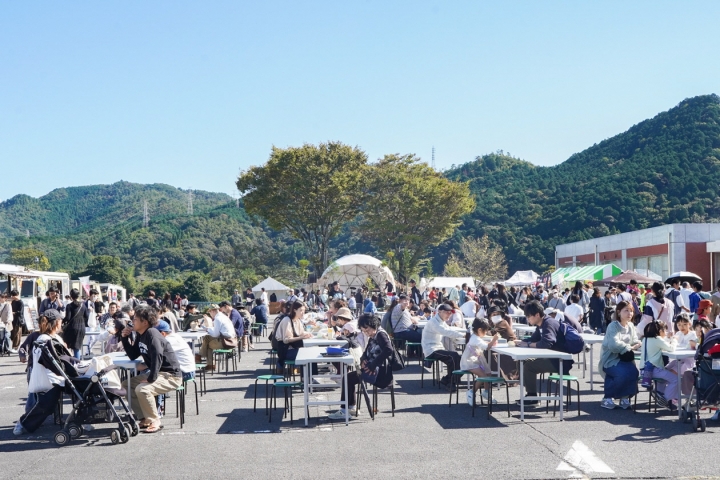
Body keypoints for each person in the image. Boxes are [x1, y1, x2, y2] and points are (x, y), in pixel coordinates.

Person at [120, 305, 182, 433]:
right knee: (126, 385)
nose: (132, 321)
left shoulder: (152, 333)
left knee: (142, 389)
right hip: (159, 373)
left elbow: (157, 355)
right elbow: (133, 355)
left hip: (171, 376)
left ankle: (155, 420)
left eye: (135, 319)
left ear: (145, 322)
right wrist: (124, 338)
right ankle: (144, 418)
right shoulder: (141, 334)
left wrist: (151, 378)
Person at [13, 310, 70, 435]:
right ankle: (24, 423)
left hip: (50, 375)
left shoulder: (52, 338)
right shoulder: (43, 338)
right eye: (60, 321)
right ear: (56, 323)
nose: (62, 323)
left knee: (45, 401)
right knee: (38, 401)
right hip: (46, 375)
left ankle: (58, 419)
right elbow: (52, 360)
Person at [328, 314, 394, 419]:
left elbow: (389, 349)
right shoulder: (374, 335)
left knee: (348, 378)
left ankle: (345, 410)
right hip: (373, 369)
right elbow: (366, 352)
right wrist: (363, 360)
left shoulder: (381, 334)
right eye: (364, 331)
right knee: (349, 378)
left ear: (373, 325)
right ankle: (351, 407)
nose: (367, 333)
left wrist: (372, 365)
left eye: (367, 330)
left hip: (380, 373)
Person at [515, 300, 575, 405]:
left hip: (560, 361)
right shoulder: (541, 324)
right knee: (522, 361)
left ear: (537, 315)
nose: (527, 319)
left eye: (529, 316)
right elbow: (533, 339)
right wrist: (521, 342)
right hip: (551, 358)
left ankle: (532, 398)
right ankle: (530, 393)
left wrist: (528, 344)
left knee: (529, 366)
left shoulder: (548, 323)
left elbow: (546, 343)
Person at [598, 301, 641, 410]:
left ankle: (624, 397)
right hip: (610, 359)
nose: (629, 313)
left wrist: (638, 343)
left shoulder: (631, 326)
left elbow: (635, 340)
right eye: (626, 310)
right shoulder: (613, 326)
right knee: (621, 373)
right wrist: (630, 347)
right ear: (618, 312)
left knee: (634, 372)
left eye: (631, 311)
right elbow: (613, 345)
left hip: (625, 359)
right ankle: (607, 397)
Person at [421, 303, 467, 388]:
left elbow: (449, 329)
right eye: (447, 312)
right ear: (439, 311)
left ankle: (448, 379)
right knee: (453, 356)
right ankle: (451, 382)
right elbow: (446, 331)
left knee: (461, 360)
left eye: (450, 313)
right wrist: (463, 335)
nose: (449, 315)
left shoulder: (441, 321)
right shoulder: (433, 322)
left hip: (438, 347)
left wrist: (461, 334)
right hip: (431, 349)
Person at [461, 318, 499, 405]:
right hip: (470, 362)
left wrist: (490, 342)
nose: (486, 333)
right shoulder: (475, 338)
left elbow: (483, 344)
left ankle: (486, 392)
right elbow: (487, 347)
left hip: (475, 360)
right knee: (483, 376)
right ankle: (471, 392)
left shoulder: (475, 337)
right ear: (479, 330)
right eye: (485, 331)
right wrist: (493, 340)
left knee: (487, 373)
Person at [641, 321, 678, 411]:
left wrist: (667, 338)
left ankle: (659, 393)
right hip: (654, 369)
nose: (666, 333)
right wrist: (674, 340)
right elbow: (671, 348)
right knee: (676, 380)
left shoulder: (645, 339)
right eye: (665, 330)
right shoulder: (657, 339)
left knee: (664, 379)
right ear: (660, 331)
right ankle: (665, 399)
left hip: (644, 370)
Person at [274, 301, 314, 373]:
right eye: (301, 310)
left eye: (304, 310)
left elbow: (301, 332)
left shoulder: (297, 320)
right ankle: (306, 375)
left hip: (293, 348)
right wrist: (302, 337)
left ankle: (306, 375)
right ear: (294, 310)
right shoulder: (287, 320)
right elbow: (286, 340)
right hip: (285, 350)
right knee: (307, 354)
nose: (303, 313)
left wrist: (309, 334)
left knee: (310, 352)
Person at [197, 304, 237, 371]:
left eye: (210, 312)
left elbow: (216, 334)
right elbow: (218, 331)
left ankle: (201, 358)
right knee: (207, 338)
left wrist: (208, 329)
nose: (210, 314)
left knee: (207, 345)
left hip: (226, 342)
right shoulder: (224, 317)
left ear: (212, 311)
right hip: (232, 340)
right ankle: (201, 358)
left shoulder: (217, 319)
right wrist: (209, 329)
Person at [62, 289, 89, 359]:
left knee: (67, 345)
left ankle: (73, 362)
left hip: (72, 327)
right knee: (77, 347)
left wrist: (62, 321)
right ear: (78, 296)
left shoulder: (69, 306)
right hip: (82, 327)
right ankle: (77, 362)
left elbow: (68, 318)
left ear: (71, 296)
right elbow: (87, 316)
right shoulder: (83, 305)